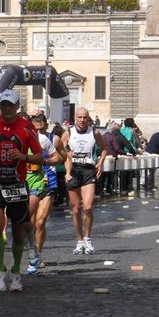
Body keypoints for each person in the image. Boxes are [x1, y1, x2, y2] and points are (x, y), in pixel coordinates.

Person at [0, 89, 43, 292]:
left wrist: (23, 156)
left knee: (18, 232)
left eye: (10, 106)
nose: (7, 109)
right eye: (3, 105)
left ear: (17, 107)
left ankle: (17, 271)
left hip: (17, 184)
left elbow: (40, 156)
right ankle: (1, 270)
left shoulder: (27, 128)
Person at [62, 107, 107, 255]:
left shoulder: (94, 132)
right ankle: (79, 240)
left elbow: (104, 149)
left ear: (88, 119)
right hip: (73, 171)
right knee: (75, 210)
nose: (82, 120)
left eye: (85, 117)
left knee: (87, 207)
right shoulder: (68, 132)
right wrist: (66, 155)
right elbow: (60, 151)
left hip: (88, 170)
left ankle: (88, 238)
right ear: (75, 118)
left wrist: (100, 163)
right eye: (80, 117)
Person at [29, 114, 66, 269]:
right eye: (35, 129)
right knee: (30, 223)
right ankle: (32, 252)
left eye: (42, 129)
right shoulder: (26, 139)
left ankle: (38, 254)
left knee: (40, 221)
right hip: (30, 183)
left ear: (46, 126)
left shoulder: (53, 139)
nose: (39, 133)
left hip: (48, 182)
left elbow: (62, 157)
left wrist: (47, 161)